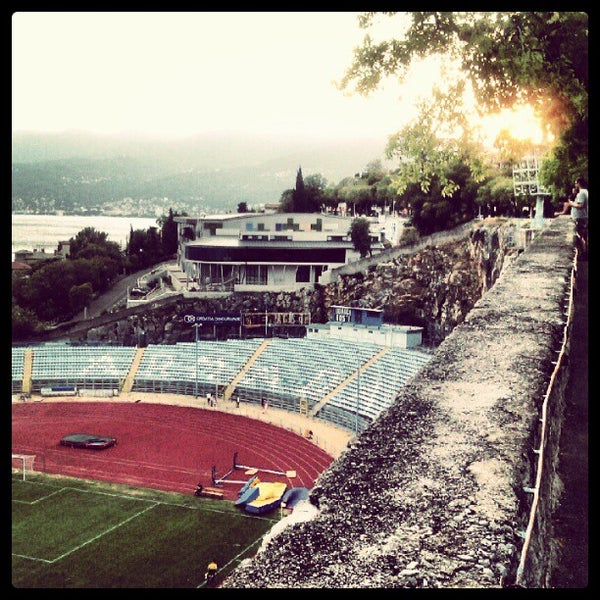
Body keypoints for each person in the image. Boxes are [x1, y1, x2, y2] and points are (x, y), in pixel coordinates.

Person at [568, 177, 588, 257]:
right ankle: (583, 252)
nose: (575, 185)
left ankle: (583, 253)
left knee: (579, 236)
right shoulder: (584, 192)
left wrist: (571, 203)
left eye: (576, 183)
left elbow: (581, 205)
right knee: (583, 235)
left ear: (579, 183)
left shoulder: (582, 193)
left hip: (580, 217)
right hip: (582, 216)